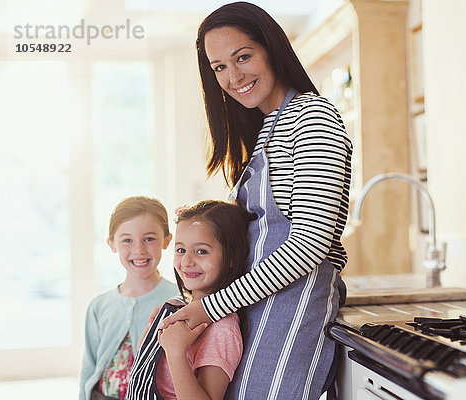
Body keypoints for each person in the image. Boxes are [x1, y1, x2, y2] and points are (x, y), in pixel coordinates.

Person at [159, 2, 353, 399]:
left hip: (295, 309)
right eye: (219, 68)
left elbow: (310, 245)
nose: (233, 77)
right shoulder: (267, 129)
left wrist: (207, 308)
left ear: (271, 48)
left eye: (243, 57)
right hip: (261, 309)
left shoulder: (312, 117)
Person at [126, 200, 249, 400]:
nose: (186, 262)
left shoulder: (222, 330)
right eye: (181, 250)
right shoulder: (177, 307)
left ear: (231, 257)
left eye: (201, 251)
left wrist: (176, 352)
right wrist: (153, 334)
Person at [79, 196, 178, 400]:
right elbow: (89, 368)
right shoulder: (99, 306)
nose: (139, 250)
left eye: (149, 238)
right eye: (126, 240)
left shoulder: (179, 301)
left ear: (167, 240)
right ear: (112, 243)